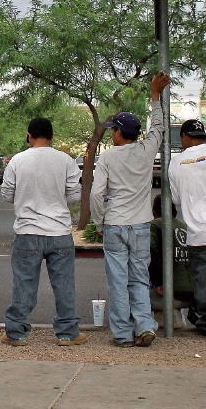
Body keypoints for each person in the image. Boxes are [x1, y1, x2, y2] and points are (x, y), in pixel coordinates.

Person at [90, 70, 170, 347]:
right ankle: (145, 325)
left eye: (113, 128)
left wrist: (99, 223)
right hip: (140, 225)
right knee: (139, 278)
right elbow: (158, 127)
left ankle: (122, 334)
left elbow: (97, 194)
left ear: (118, 132)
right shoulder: (147, 151)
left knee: (118, 280)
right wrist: (155, 97)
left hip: (115, 224)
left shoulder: (108, 158)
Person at [0, 117, 86, 347]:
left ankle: (16, 332)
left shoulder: (17, 161)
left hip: (27, 232)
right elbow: (75, 195)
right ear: (52, 137)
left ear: (29, 135)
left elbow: (7, 194)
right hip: (59, 232)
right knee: (64, 285)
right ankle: (68, 332)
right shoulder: (66, 160)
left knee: (24, 284)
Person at [169, 118, 206, 334]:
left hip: (197, 232)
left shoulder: (176, 163)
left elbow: (176, 200)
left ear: (184, 137)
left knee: (201, 278)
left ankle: (203, 321)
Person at [148, 194, 192, 329]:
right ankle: (176, 320)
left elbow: (151, 251)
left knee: (130, 293)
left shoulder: (155, 225)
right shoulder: (185, 226)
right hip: (194, 295)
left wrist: (158, 282)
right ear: (175, 212)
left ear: (153, 212)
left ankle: (153, 324)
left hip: (171, 294)